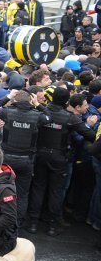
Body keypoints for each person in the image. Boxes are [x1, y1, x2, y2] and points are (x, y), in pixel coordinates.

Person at [28, 87, 95, 235]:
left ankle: (33, 223)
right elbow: (90, 134)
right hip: (59, 157)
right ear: (66, 101)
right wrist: (89, 124)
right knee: (56, 191)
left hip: (40, 154)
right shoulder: (69, 117)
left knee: (38, 188)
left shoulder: (42, 111)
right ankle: (52, 226)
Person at [0, 89, 50, 227]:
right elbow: (49, 117)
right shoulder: (37, 116)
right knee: (22, 194)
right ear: (31, 101)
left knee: (1, 189)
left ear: (15, 101)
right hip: (26, 160)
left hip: (7, 159)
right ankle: (16, 222)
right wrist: (38, 104)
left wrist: (8, 97)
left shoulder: (7, 112)